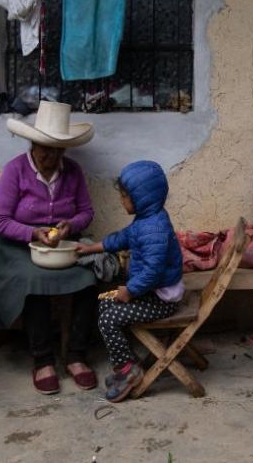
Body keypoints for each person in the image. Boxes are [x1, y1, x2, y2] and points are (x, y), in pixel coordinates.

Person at [0, 101, 99, 394]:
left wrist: (70, 225)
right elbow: (0, 221)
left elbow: (86, 212)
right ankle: (42, 359)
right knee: (34, 281)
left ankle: (75, 354)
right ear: (32, 144)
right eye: (45, 148)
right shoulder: (15, 171)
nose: (51, 155)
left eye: (58, 149)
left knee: (90, 278)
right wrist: (32, 233)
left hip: (61, 244)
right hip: (18, 247)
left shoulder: (73, 171)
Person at [75, 161, 184, 403]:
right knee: (103, 303)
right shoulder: (146, 220)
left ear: (142, 198)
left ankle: (128, 369)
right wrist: (92, 247)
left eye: (125, 196)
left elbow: (153, 272)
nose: (122, 201)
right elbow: (123, 238)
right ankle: (128, 363)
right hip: (150, 290)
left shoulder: (154, 229)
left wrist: (131, 291)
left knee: (108, 318)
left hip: (161, 298)